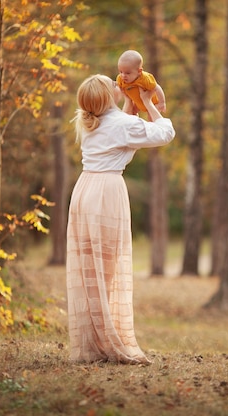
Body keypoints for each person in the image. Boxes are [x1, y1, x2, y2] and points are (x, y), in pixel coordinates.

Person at [66, 74, 175, 364]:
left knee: (92, 270)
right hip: (106, 193)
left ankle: (95, 339)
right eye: (113, 84)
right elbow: (165, 134)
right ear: (107, 96)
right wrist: (150, 104)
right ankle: (107, 340)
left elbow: (123, 132)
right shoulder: (120, 124)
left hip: (84, 190)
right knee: (107, 269)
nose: (118, 83)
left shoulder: (91, 120)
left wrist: (129, 101)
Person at [116, 49, 166, 117]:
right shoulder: (120, 79)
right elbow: (118, 89)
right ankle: (136, 122)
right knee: (131, 113)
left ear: (139, 71)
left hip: (152, 102)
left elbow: (157, 88)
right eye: (121, 72)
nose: (123, 75)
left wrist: (162, 103)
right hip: (137, 103)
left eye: (128, 73)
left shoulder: (145, 79)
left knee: (151, 118)